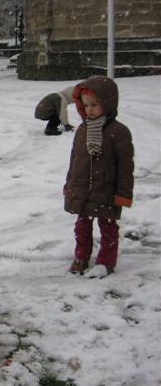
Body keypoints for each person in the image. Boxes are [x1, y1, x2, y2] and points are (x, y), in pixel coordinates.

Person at [64, 76, 134, 277]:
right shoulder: (83, 129)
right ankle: (81, 257)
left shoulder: (119, 132)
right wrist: (69, 184)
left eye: (94, 105)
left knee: (108, 227)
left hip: (106, 189)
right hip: (83, 189)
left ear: (108, 103)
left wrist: (123, 194)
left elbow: (125, 167)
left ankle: (106, 262)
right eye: (86, 105)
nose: (90, 110)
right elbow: (74, 160)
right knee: (82, 227)